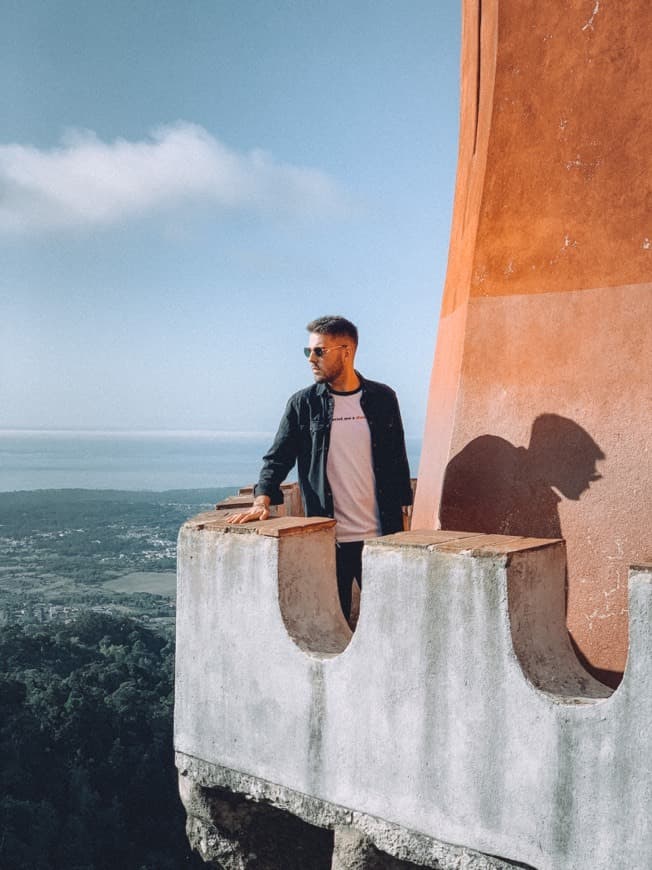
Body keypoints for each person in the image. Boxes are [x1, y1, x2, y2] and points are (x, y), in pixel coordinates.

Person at [226, 315, 413, 621]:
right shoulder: (303, 404)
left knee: (393, 622)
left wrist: (404, 515)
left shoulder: (383, 399)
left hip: (381, 541)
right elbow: (278, 458)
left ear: (346, 351)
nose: (311, 359)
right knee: (330, 628)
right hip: (329, 543)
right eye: (308, 352)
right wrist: (262, 501)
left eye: (319, 351)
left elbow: (396, 459)